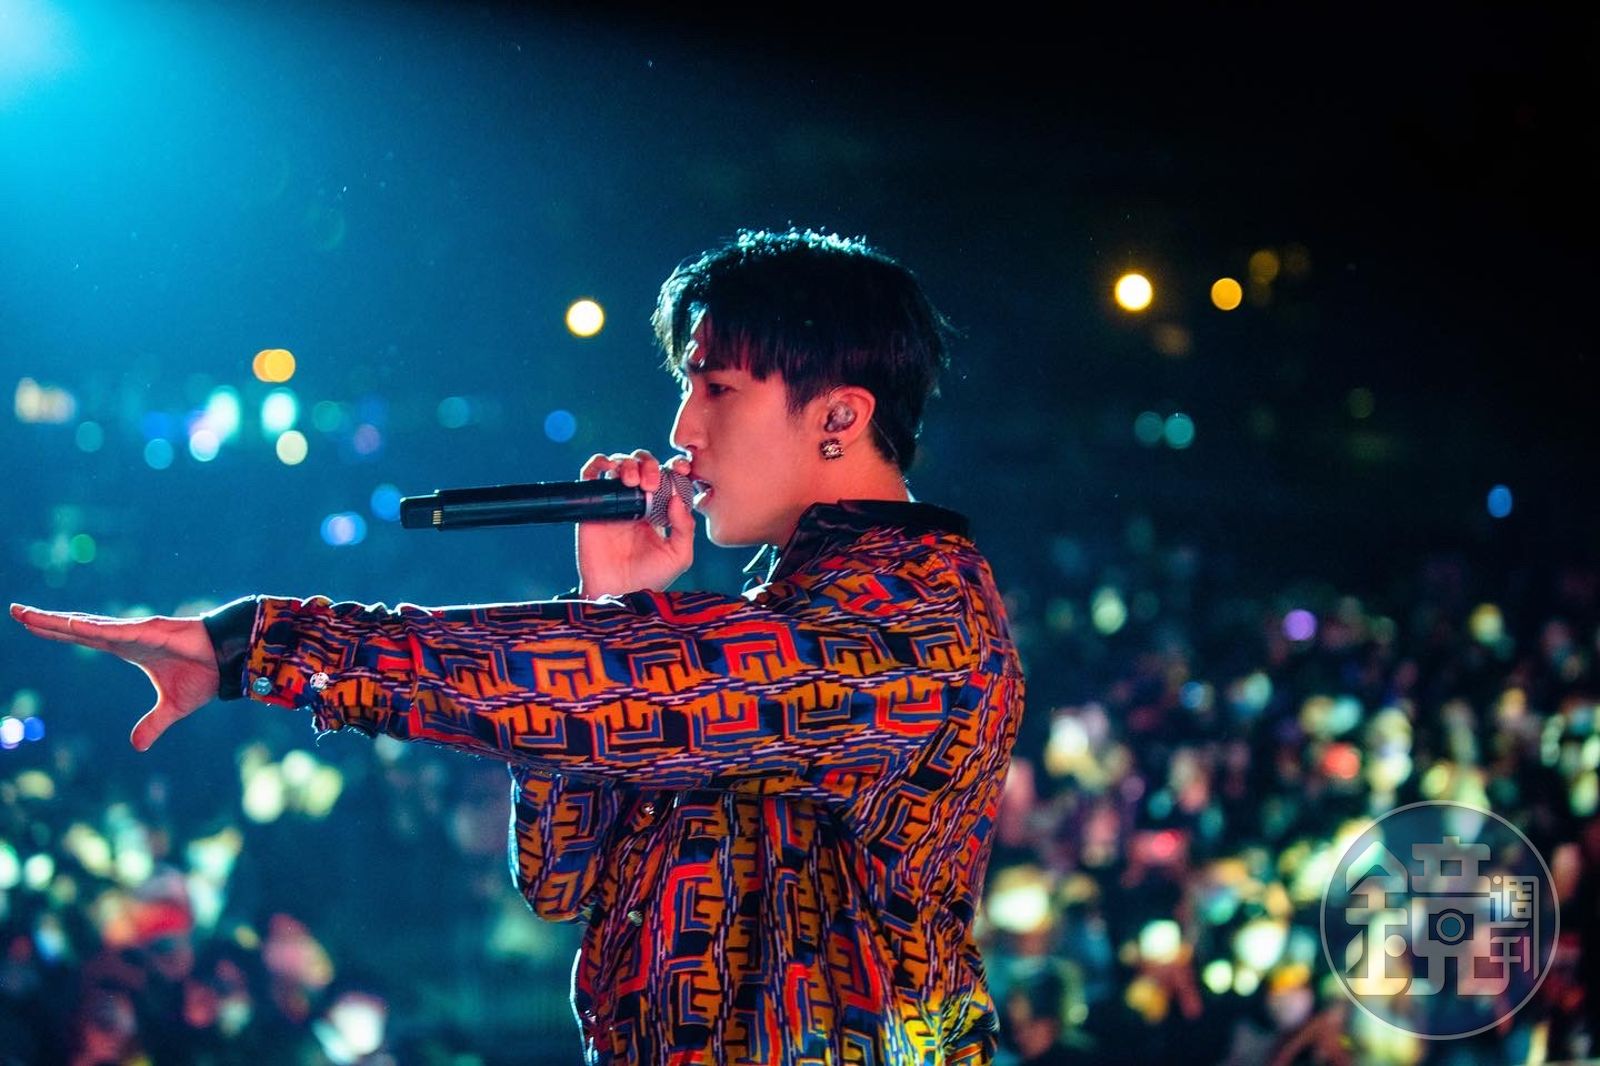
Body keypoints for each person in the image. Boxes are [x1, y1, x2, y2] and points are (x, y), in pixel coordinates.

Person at [12, 227, 1026, 1065]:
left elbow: (628, 688)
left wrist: (258, 643)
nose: (681, 427)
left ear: (840, 414)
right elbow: (561, 878)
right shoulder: (772, 620)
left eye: (717, 387)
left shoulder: (918, 623)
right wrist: (609, 604)